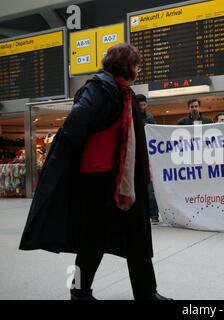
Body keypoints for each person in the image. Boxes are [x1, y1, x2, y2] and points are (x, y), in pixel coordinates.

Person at [19, 43, 172, 300]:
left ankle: (147, 293)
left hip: (125, 178)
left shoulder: (124, 92)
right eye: (136, 64)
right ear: (126, 64)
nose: (138, 69)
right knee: (92, 239)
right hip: (100, 178)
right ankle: (78, 291)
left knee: (138, 238)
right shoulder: (100, 88)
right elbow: (76, 122)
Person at [135, 94, 160, 225]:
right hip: (135, 156)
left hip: (147, 157)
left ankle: (154, 215)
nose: (141, 108)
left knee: (150, 188)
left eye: (143, 105)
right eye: (139, 105)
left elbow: (155, 134)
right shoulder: (132, 117)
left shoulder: (149, 117)